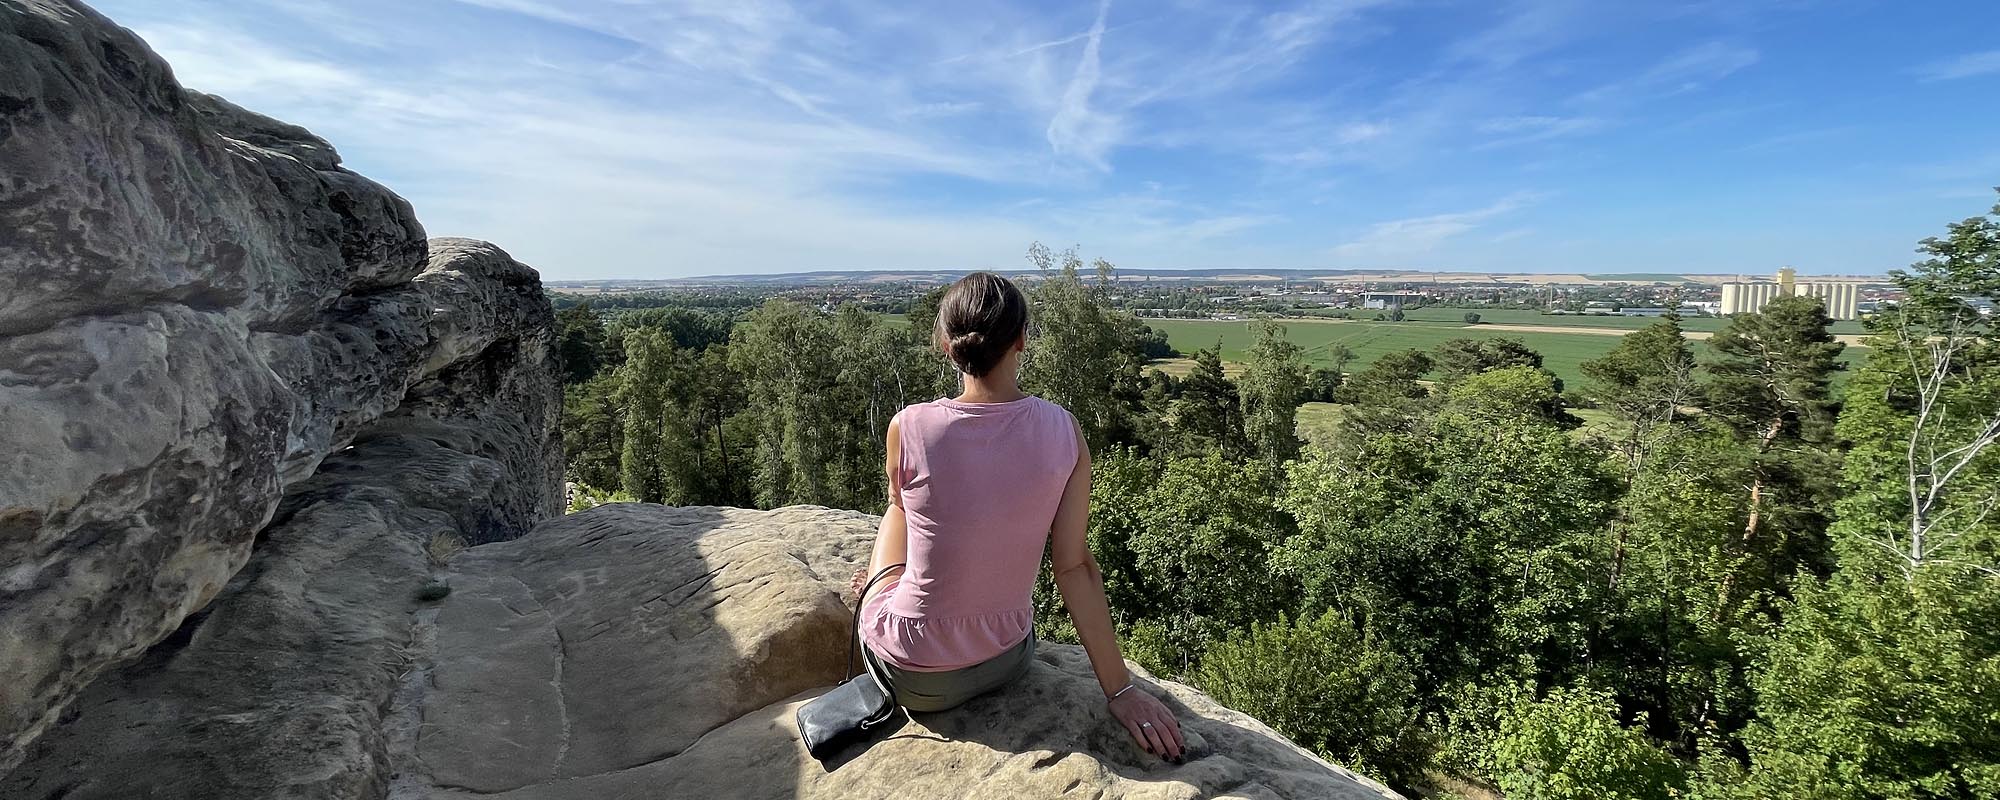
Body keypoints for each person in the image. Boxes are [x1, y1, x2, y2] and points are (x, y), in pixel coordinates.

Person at [851, 271, 1186, 762]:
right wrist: (1120, 691)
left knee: (898, 508)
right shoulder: (1064, 431)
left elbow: (905, 511)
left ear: (947, 345)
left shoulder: (910, 426)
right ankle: (887, 587)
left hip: (912, 673)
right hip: (1006, 658)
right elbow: (1073, 568)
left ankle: (875, 590)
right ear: (1022, 340)